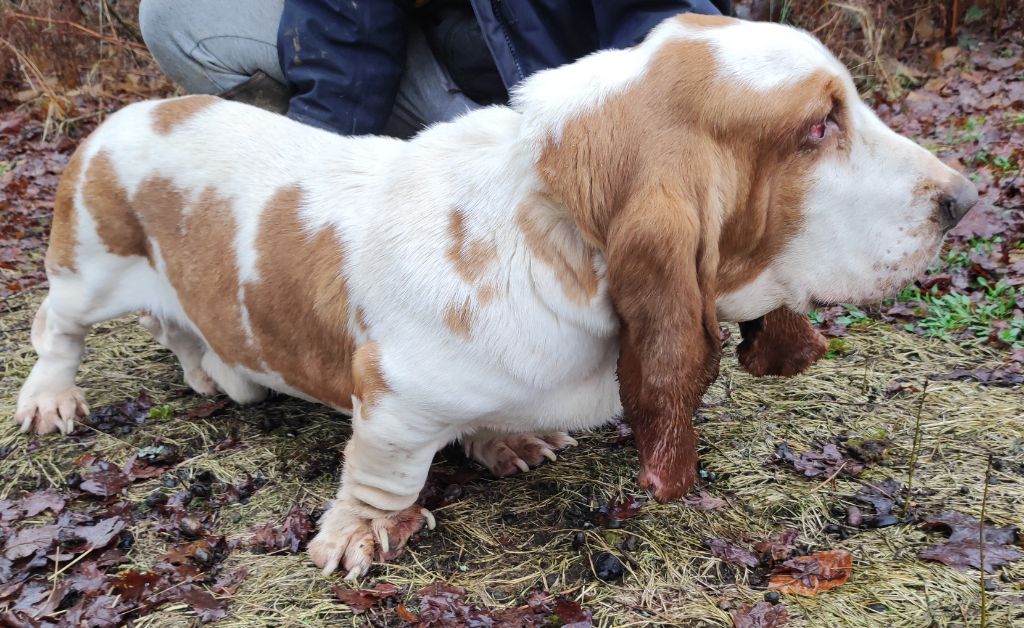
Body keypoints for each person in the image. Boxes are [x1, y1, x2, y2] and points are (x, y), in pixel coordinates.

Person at [139, 0, 730, 137]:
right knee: (177, 11)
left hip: (584, 109)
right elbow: (345, 30)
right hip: (455, 94)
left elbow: (664, 20)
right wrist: (313, 186)